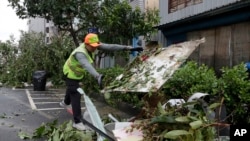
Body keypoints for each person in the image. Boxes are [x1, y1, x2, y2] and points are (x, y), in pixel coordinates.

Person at [60, 33, 143, 130]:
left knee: (71, 89)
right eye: (92, 47)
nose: (95, 48)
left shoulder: (93, 45)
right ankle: (77, 122)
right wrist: (97, 76)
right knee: (76, 93)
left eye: (96, 46)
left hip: (77, 74)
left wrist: (127, 48)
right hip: (69, 73)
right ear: (86, 44)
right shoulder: (80, 53)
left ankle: (65, 102)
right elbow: (87, 65)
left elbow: (110, 47)